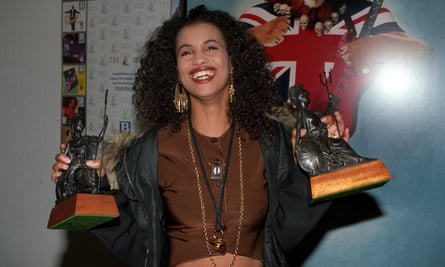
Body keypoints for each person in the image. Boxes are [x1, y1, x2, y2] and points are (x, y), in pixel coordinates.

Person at [51, 5, 349, 267]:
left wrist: (320, 159)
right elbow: (137, 245)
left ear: (233, 62)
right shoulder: (148, 152)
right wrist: (91, 188)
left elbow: (286, 229)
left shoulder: (271, 141)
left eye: (211, 48)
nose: (199, 59)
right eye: (186, 52)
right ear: (174, 70)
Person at [240, 0, 427, 134]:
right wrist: (250, 37)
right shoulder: (260, 14)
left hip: (332, 141)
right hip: (268, 144)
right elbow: (217, 60)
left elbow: (417, 50)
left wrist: (378, 45)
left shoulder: (362, 11)